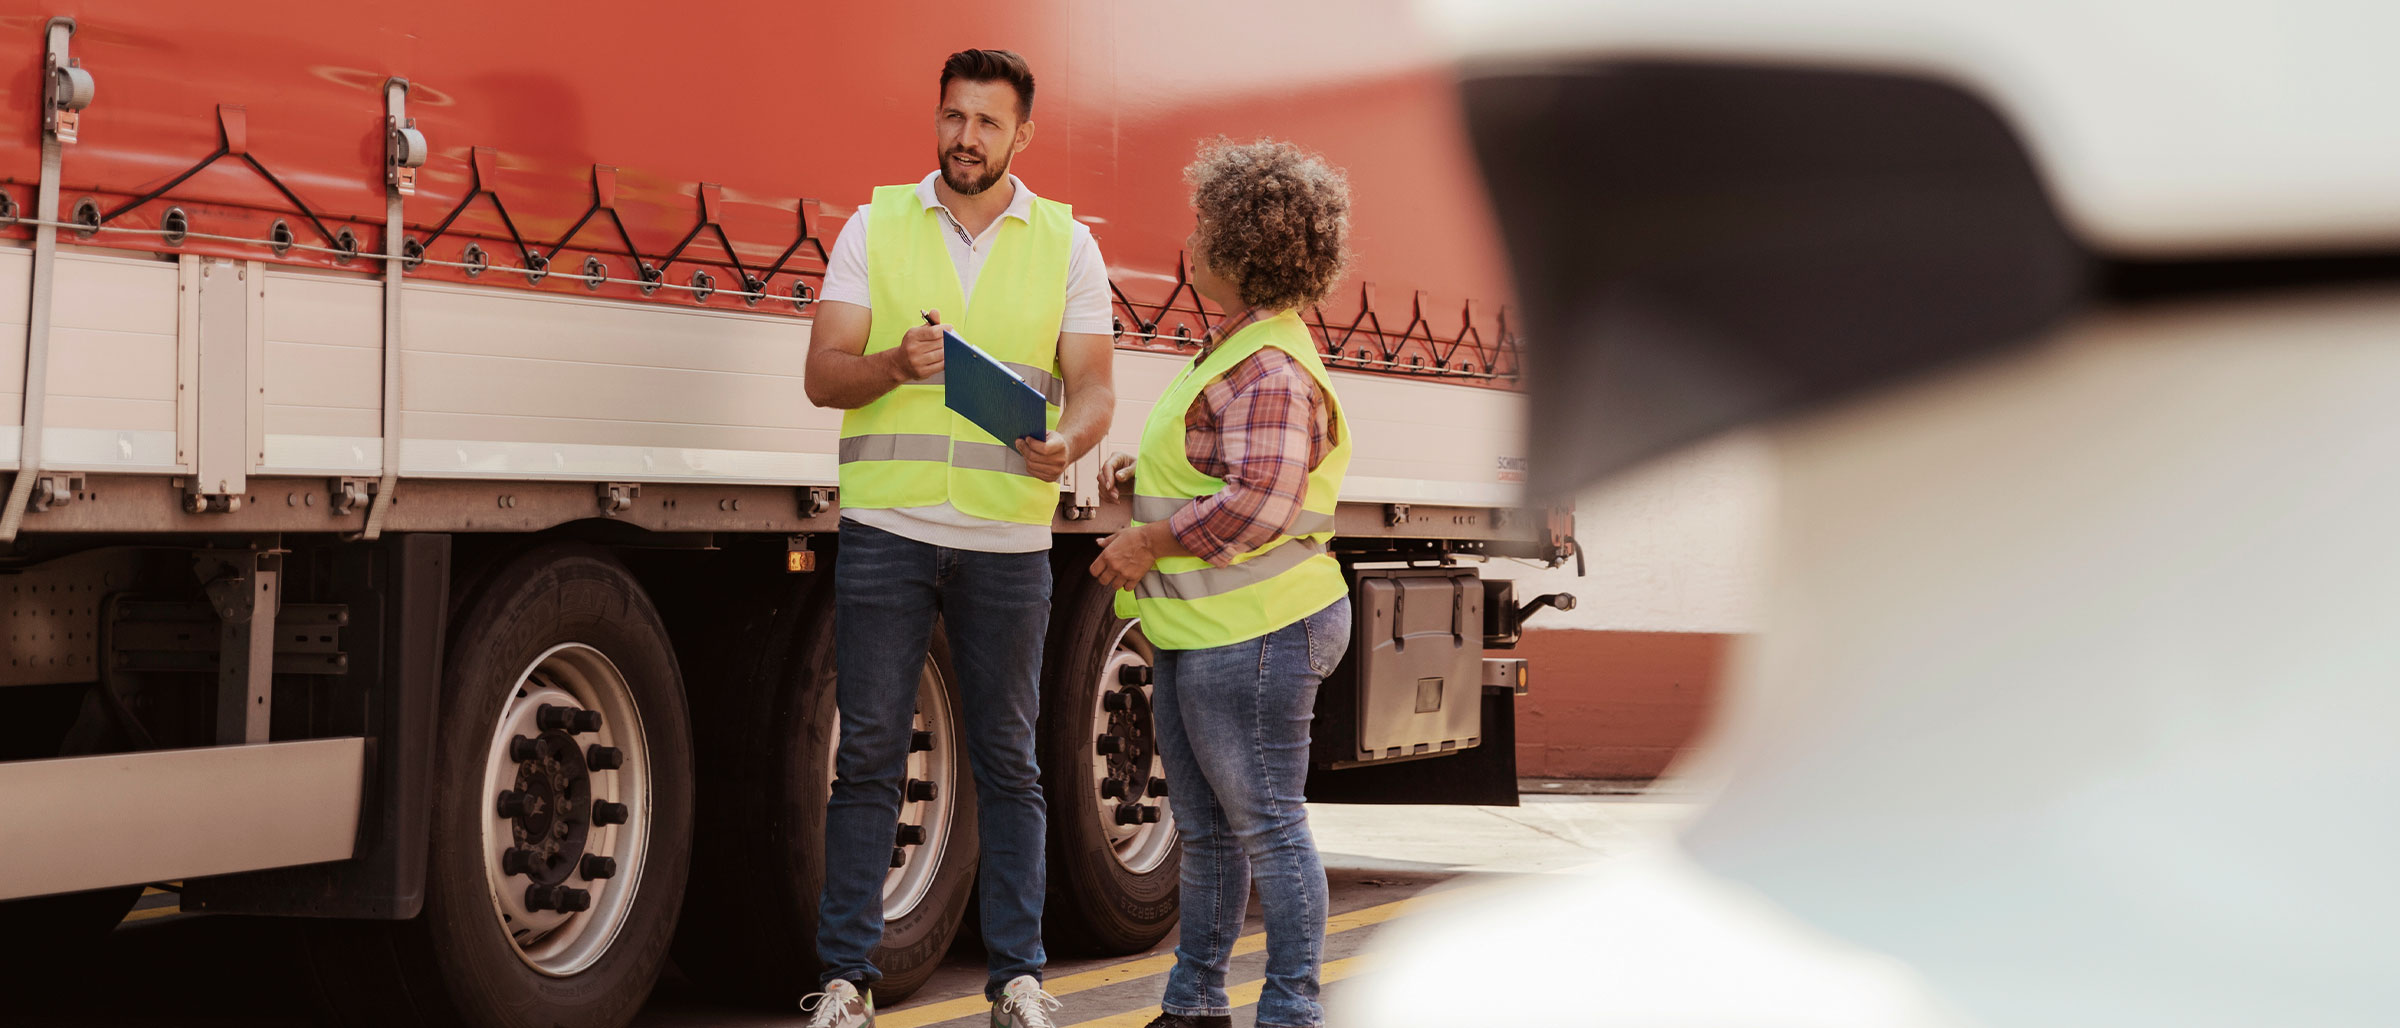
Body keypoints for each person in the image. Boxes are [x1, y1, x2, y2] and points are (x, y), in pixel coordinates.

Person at [799, 47, 1113, 1028]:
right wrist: (893, 360)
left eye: (986, 122)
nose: (964, 137)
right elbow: (822, 373)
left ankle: (1017, 976)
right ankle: (847, 980)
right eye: (952, 117)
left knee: (1008, 758)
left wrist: (1073, 440)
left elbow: (1096, 384)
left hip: (1008, 542)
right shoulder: (875, 222)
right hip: (888, 527)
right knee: (869, 757)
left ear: (1023, 134)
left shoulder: (1066, 243)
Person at [1091, 139, 1356, 1028]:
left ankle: (1290, 1012)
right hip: (1209, 632)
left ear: (1246, 248)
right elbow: (1226, 472)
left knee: (1270, 828)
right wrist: (1147, 478)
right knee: (1207, 833)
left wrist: (1150, 539)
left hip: (1257, 631)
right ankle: (1194, 1005)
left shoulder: (1271, 367)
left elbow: (1264, 506)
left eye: (1207, 222)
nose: (1192, 236)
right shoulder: (1236, 349)